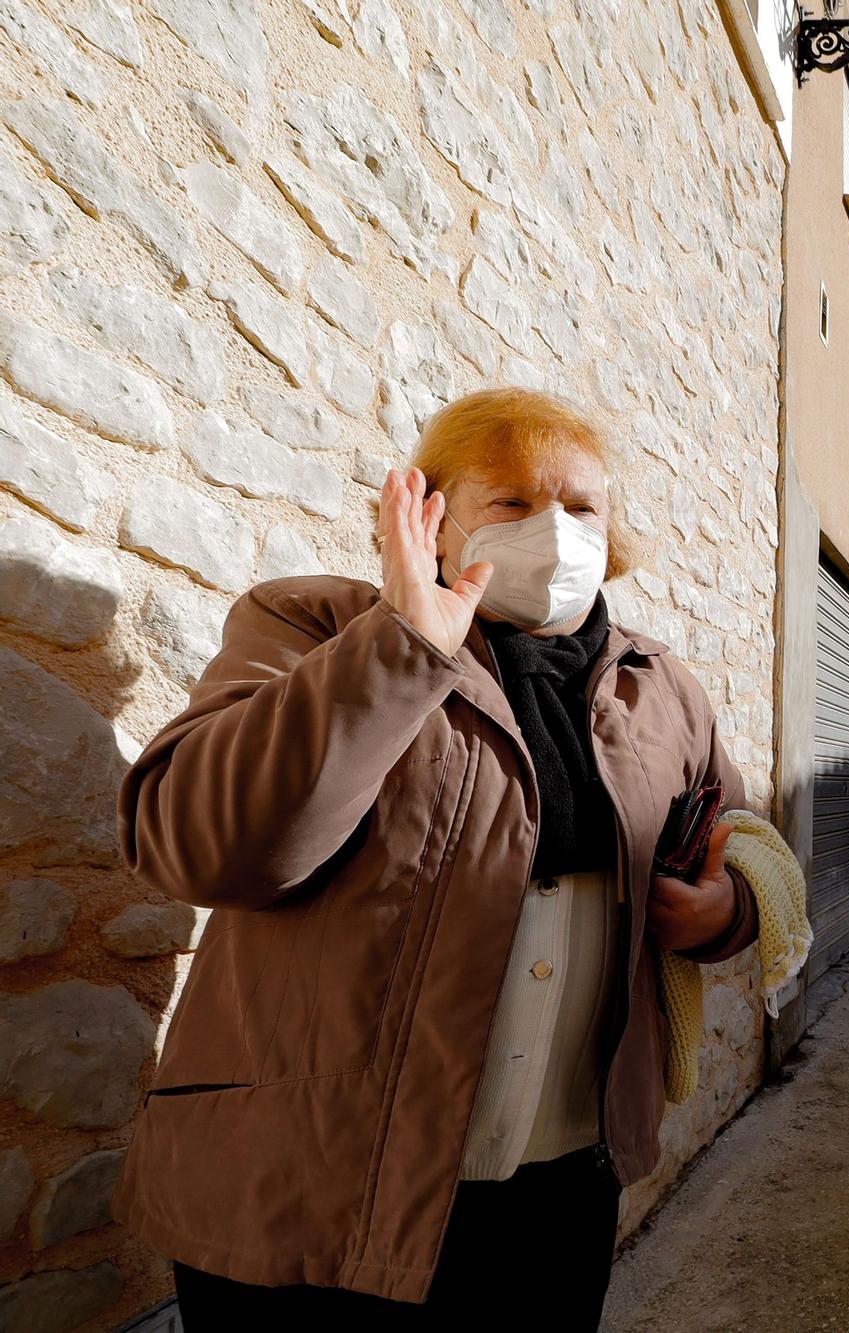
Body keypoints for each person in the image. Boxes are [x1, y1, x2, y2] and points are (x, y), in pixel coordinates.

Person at [113, 388, 760, 1327]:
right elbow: (194, 840)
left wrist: (727, 912)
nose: (556, 529)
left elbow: (738, 845)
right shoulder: (311, 627)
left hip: (556, 1202)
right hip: (310, 1195)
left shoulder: (665, 690)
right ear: (433, 516)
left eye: (582, 508)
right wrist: (402, 646)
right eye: (511, 501)